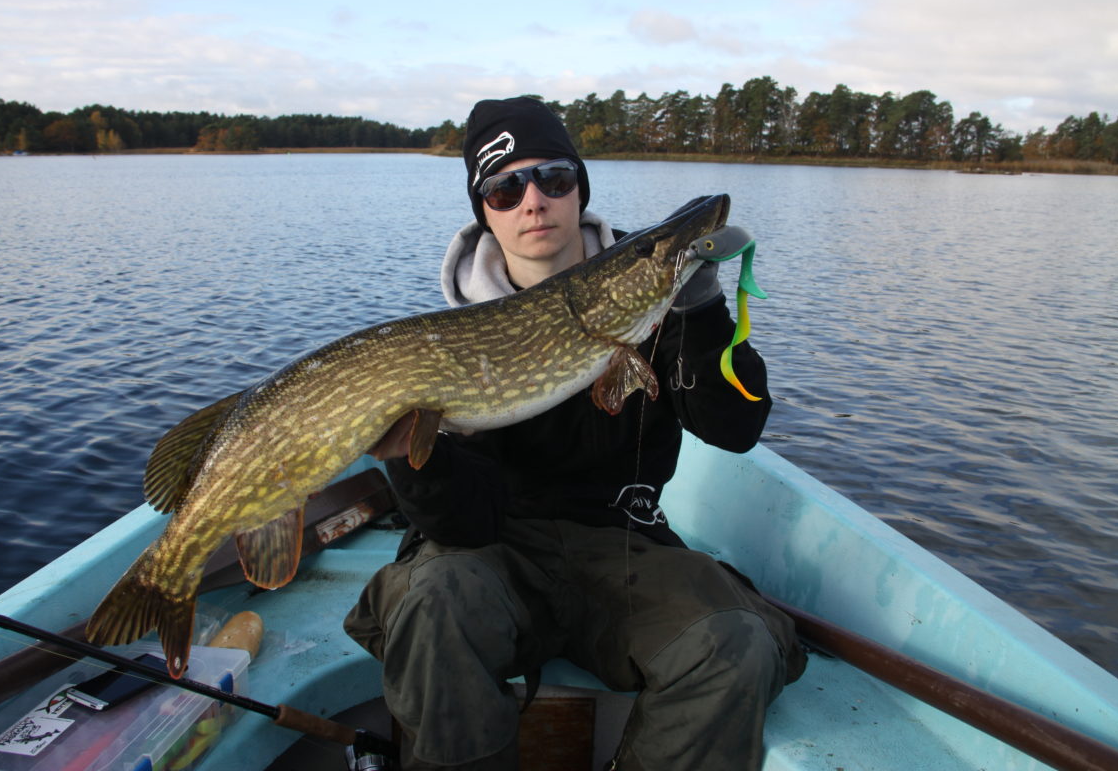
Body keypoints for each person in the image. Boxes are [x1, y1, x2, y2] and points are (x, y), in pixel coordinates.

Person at [344, 96, 805, 770]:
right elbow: (463, 522)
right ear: (486, 212)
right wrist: (413, 460)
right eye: (505, 187)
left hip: (623, 548)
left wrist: (700, 308)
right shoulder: (449, 345)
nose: (532, 200)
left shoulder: (649, 295)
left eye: (552, 178)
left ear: (578, 189)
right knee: (429, 603)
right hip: (494, 552)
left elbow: (735, 429)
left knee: (733, 644)